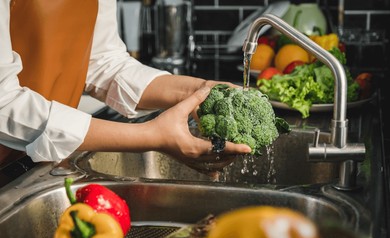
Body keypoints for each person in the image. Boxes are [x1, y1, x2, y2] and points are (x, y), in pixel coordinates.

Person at [0, 0, 251, 172]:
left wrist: (200, 91)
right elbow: (4, 101)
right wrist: (151, 136)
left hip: (40, 163)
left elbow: (103, 61)